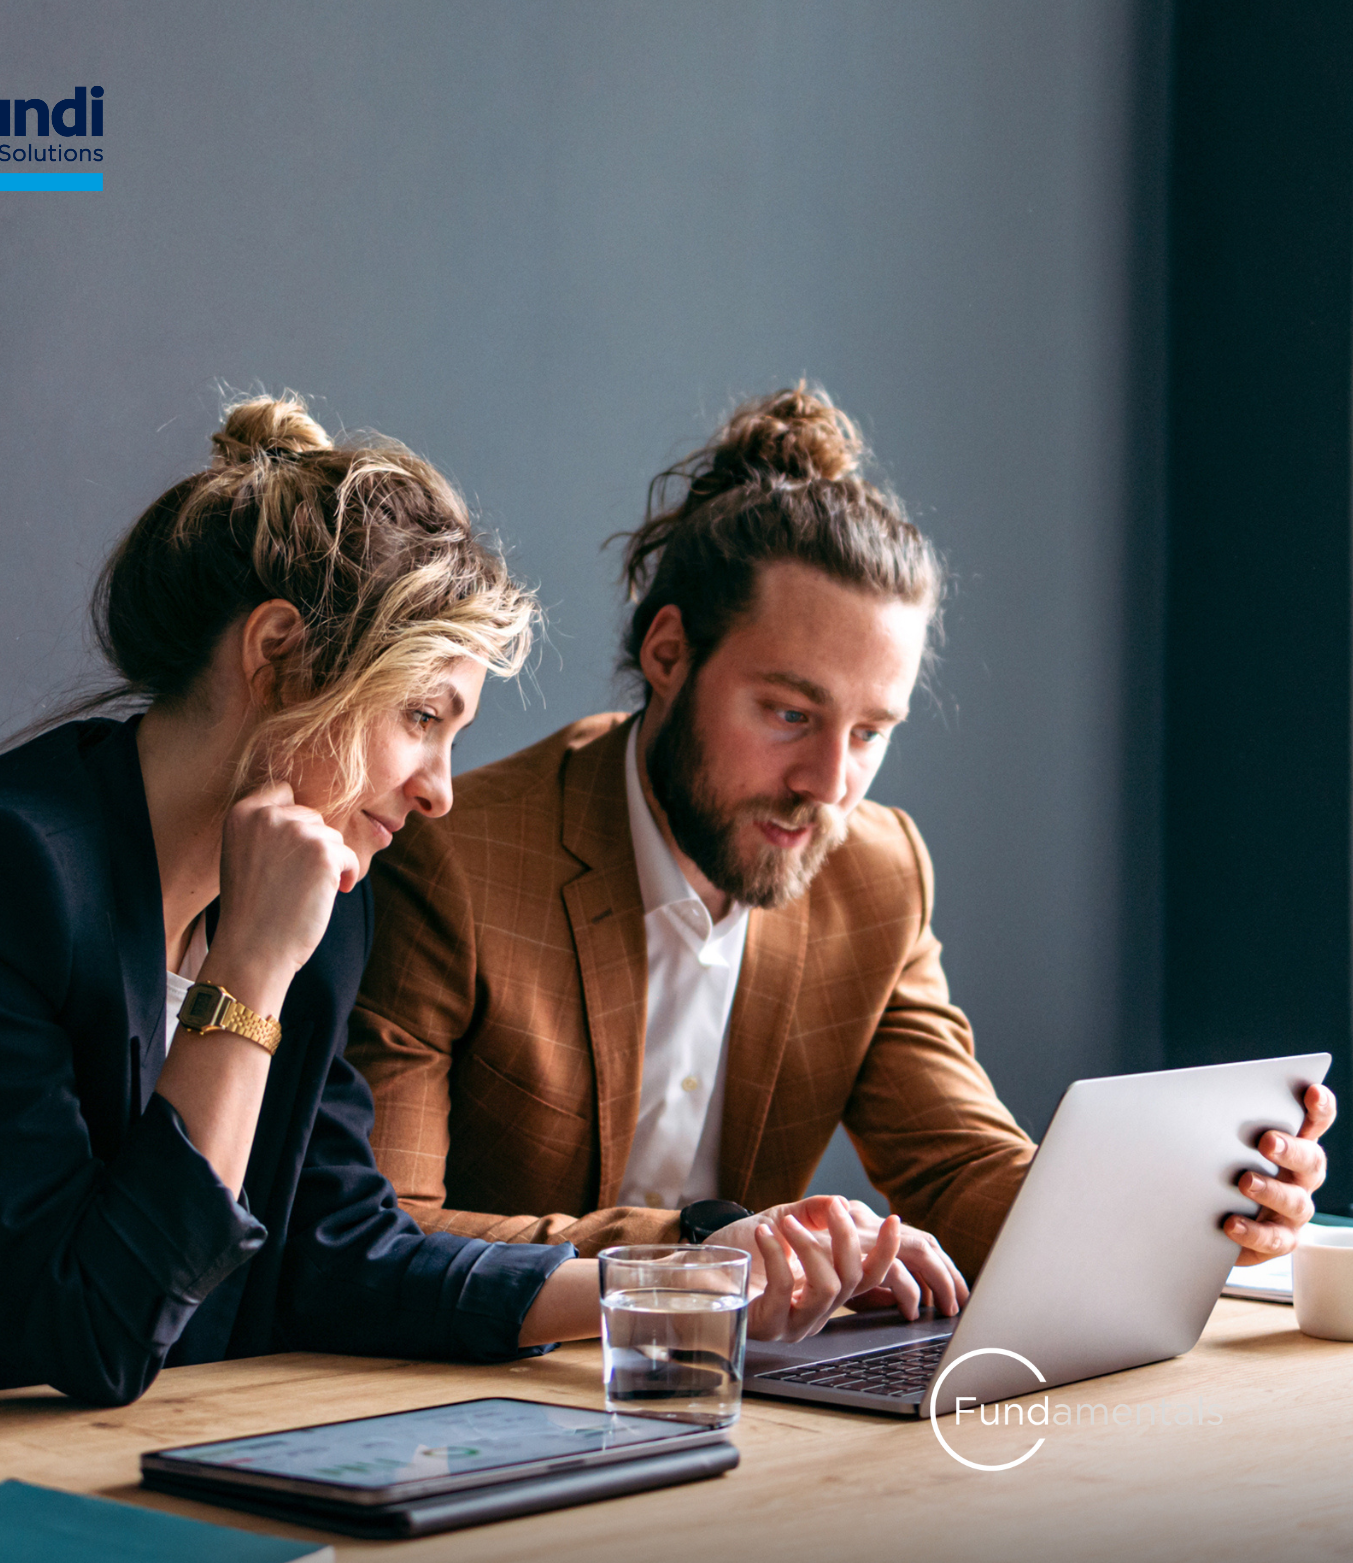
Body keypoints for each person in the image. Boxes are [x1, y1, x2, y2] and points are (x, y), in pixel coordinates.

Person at [0, 394, 886, 1419]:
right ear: (277, 655)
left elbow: (340, 1249)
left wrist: (676, 1281)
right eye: (421, 715)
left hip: (151, 1467)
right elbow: (94, 1329)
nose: (440, 787)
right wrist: (250, 977)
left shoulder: (318, 898)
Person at [348, 384, 1335, 1301]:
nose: (829, 785)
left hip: (740, 1413)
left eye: (870, 734)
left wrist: (1190, 1202)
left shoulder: (876, 873)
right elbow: (392, 1230)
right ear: (668, 655)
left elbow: (961, 1167)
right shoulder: (455, 855)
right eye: (788, 714)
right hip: (487, 1408)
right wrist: (702, 1247)